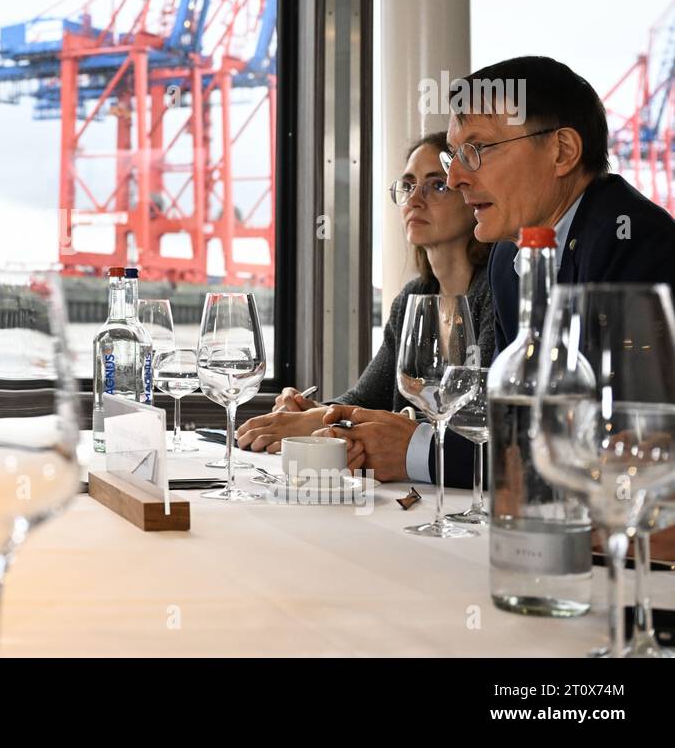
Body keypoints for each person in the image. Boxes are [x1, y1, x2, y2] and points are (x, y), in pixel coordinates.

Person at [236, 132, 495, 485]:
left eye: (436, 187)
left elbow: (480, 427)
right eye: (407, 186)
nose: (414, 200)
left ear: (471, 196)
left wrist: (327, 421)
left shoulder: (493, 293)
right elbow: (364, 398)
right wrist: (312, 411)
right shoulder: (412, 299)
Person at [441, 55, 675, 348]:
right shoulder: (505, 258)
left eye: (477, 148)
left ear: (562, 151)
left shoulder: (634, 241)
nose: (454, 178)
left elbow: (629, 389)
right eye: (454, 155)